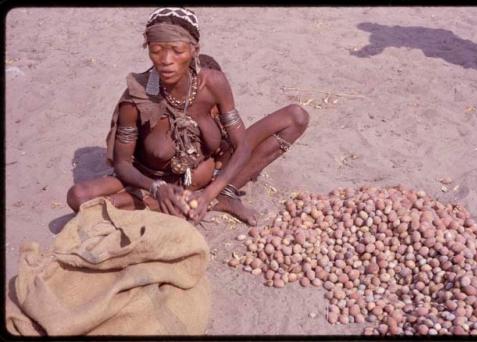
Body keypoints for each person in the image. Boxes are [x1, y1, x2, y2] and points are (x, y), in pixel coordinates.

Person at [67, 7, 309, 226]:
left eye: (177, 51)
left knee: (296, 116)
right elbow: (122, 164)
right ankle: (165, 203)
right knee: (79, 197)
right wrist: (156, 187)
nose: (166, 61)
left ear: (194, 50)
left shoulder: (213, 83)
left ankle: (224, 195)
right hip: (152, 180)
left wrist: (209, 194)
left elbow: (242, 145)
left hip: (205, 178)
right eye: (156, 51)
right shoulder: (136, 98)